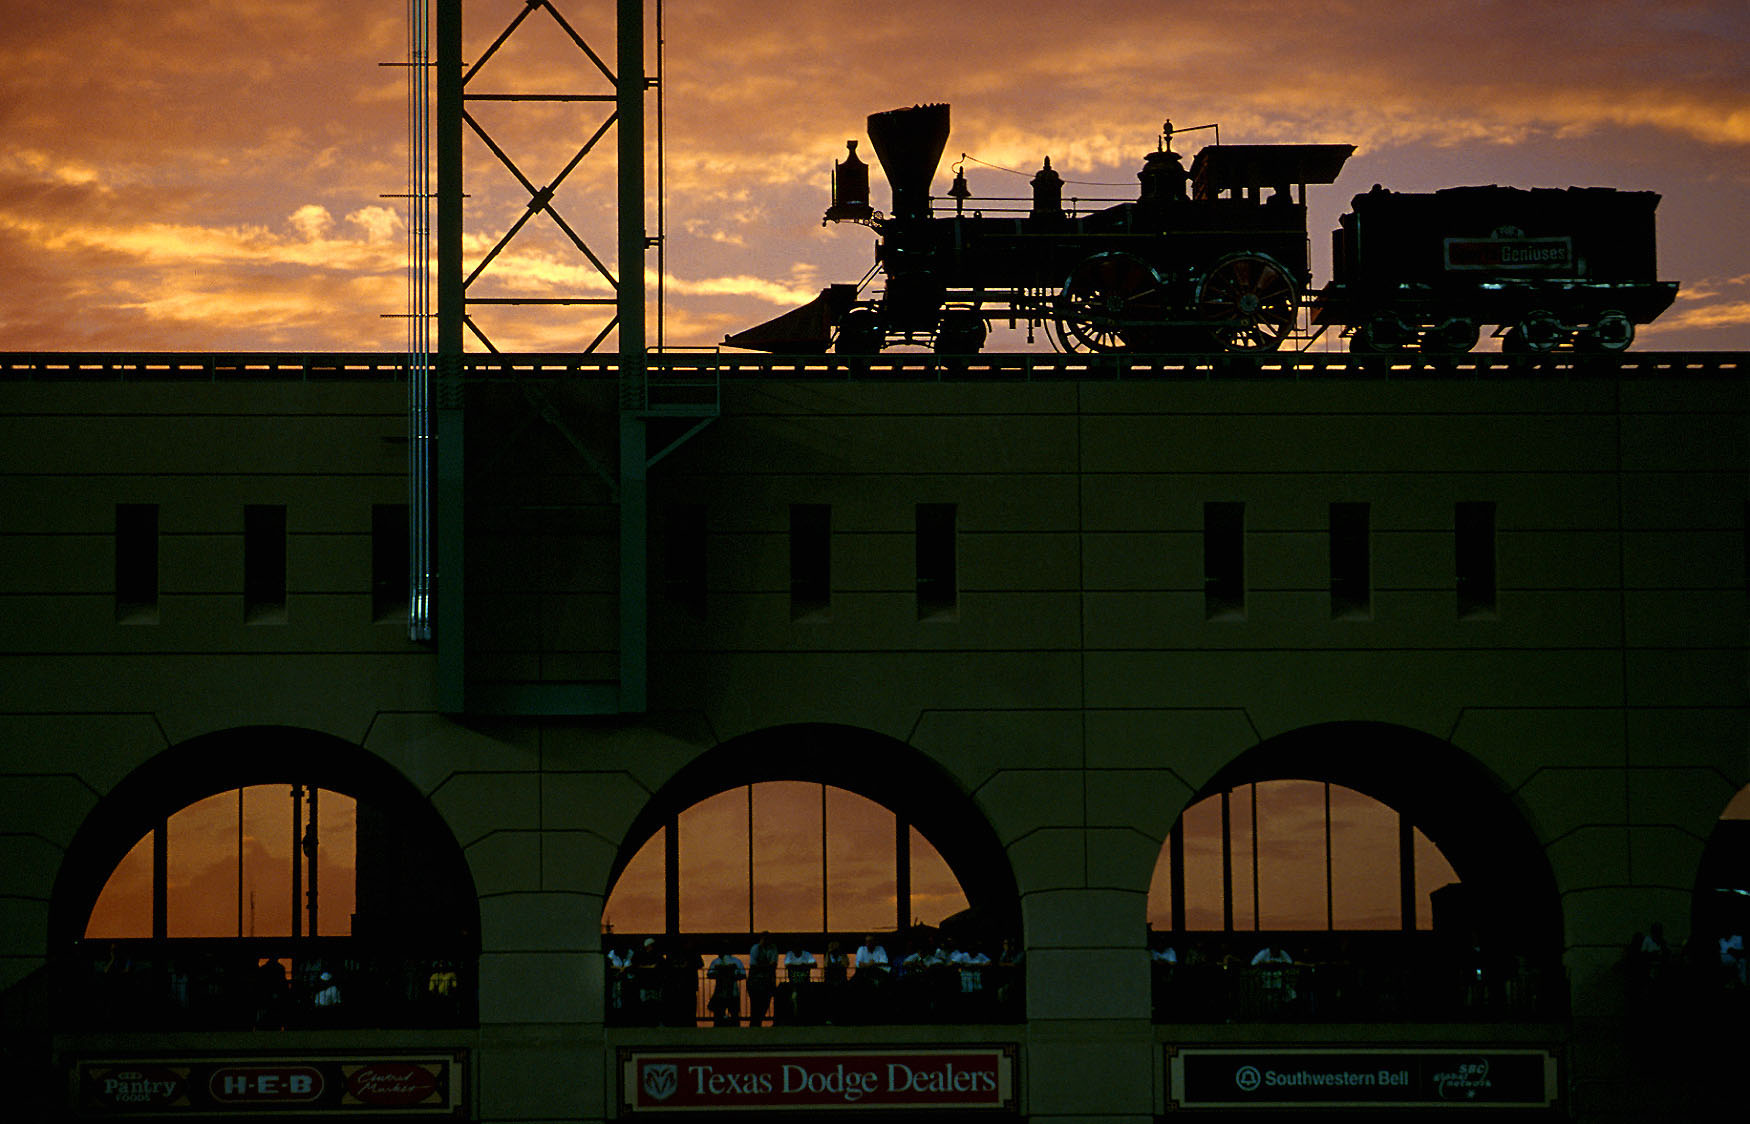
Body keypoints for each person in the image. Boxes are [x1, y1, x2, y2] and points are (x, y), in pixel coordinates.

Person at [747, 933, 780, 1027]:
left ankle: (756, 1023)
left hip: (765, 981)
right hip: (757, 982)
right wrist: (768, 966)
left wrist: (761, 966)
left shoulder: (773, 948)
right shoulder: (755, 948)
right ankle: (755, 1024)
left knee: (765, 1004)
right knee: (756, 1005)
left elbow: (772, 966)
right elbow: (754, 966)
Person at [706, 950, 745, 1026]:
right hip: (732, 992)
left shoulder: (716, 961)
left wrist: (721, 974)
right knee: (734, 1014)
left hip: (720, 992)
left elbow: (709, 974)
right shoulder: (736, 961)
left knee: (719, 1015)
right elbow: (743, 975)